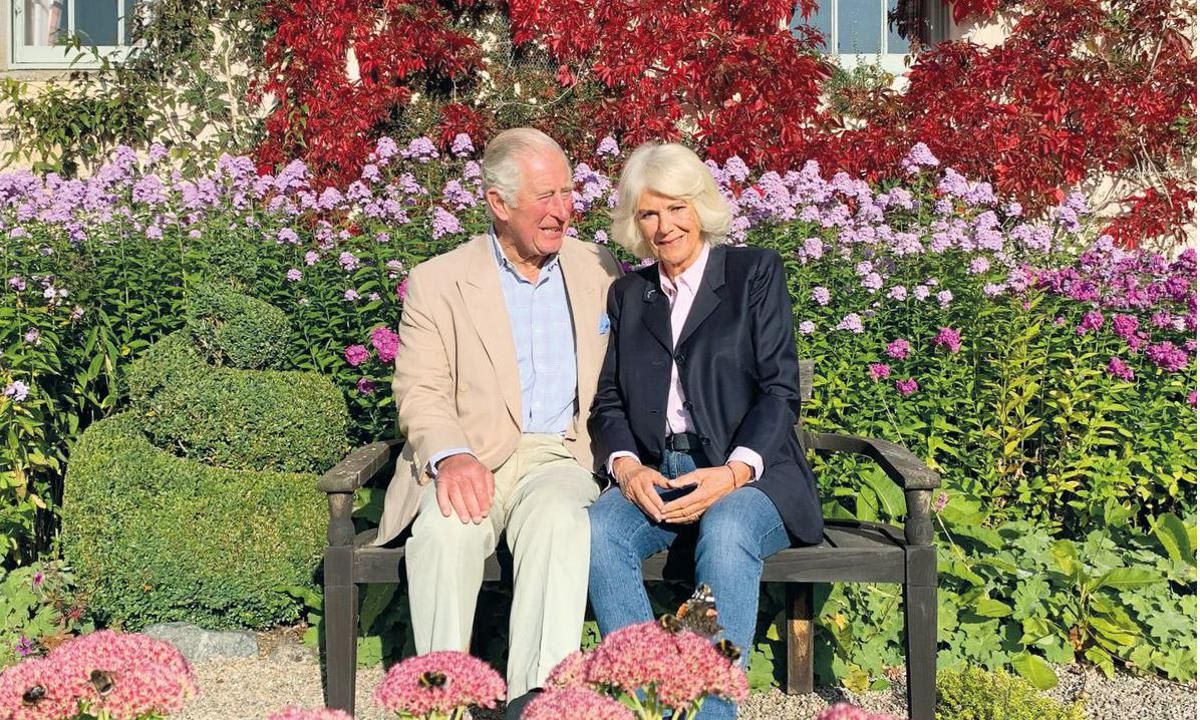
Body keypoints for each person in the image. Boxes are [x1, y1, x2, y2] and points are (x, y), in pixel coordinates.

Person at [373, 128, 622, 714]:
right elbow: (420, 388)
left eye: (567, 192)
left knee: (564, 522)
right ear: (498, 203)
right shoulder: (440, 280)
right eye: (546, 197)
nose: (562, 210)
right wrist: (451, 455)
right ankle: (443, 697)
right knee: (442, 534)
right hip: (471, 455)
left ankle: (536, 700)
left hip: (560, 454)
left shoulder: (598, 266)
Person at [587, 142, 823, 719]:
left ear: (700, 206)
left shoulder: (752, 273)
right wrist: (627, 465)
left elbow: (778, 391)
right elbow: (610, 400)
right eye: (649, 214)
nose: (664, 227)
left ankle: (705, 713)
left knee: (726, 529)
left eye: (676, 208)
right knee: (596, 531)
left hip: (750, 479)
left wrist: (734, 470)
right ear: (634, 224)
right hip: (656, 476)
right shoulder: (629, 295)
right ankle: (647, 704)